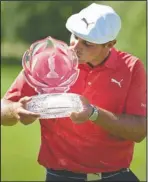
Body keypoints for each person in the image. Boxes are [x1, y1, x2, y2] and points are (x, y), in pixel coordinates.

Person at [1, 3, 146, 182]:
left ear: (110, 44)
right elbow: (3, 109)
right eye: (75, 36)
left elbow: (139, 131)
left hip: (116, 176)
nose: (75, 46)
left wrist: (93, 113)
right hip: (60, 176)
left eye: (87, 43)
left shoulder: (131, 68)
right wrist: (15, 110)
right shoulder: (48, 61)